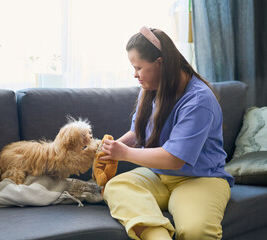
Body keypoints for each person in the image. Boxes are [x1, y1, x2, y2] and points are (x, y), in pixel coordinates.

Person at [100, 26, 234, 240]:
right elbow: (138, 131)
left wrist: (124, 153)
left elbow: (174, 159)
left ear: (160, 63)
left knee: (195, 232)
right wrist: (108, 148)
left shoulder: (199, 100)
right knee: (116, 187)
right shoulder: (153, 90)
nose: (135, 74)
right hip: (158, 176)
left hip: (200, 179)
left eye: (138, 68)